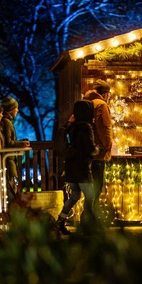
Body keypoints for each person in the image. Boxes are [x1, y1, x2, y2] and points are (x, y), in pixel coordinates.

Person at [56, 100, 99, 234]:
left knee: (74, 195)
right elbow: (90, 148)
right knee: (91, 196)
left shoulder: (70, 126)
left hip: (70, 168)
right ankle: (88, 225)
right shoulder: (86, 127)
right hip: (82, 169)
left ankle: (60, 221)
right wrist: (98, 149)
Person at [82, 79, 113, 217]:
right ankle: (89, 220)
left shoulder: (87, 103)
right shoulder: (101, 105)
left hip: (87, 151)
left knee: (90, 189)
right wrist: (107, 146)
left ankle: (88, 219)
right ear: (105, 94)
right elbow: (104, 127)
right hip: (99, 152)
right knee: (96, 188)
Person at [0, 96, 30, 201]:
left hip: (8, 160)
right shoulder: (7, 123)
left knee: (11, 188)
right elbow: (8, 142)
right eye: (16, 108)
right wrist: (20, 144)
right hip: (9, 160)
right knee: (12, 188)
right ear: (11, 109)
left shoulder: (5, 122)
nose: (17, 110)